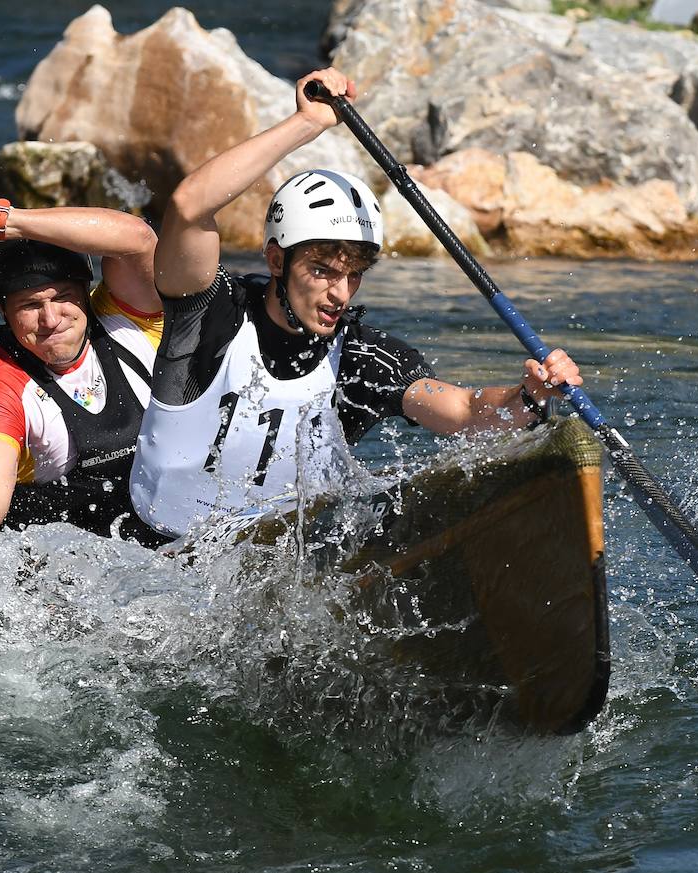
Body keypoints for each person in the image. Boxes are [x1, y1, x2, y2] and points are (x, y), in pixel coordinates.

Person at [130, 67, 584, 539]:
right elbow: (188, 207)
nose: (341, 294)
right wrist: (306, 124)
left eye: (354, 275)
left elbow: (466, 412)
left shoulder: (366, 359)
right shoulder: (211, 314)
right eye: (323, 271)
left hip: (275, 566)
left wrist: (530, 396)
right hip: (159, 556)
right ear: (275, 259)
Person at [0, 189, 165, 545]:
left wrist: (2, 222)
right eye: (29, 305)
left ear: (86, 292)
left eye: (63, 297)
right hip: (71, 568)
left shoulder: (128, 320)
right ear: (3, 312)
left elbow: (138, 238)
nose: (51, 319)